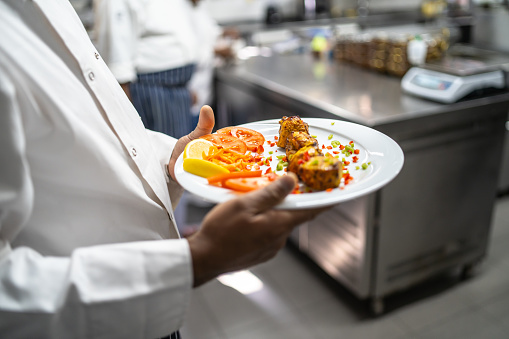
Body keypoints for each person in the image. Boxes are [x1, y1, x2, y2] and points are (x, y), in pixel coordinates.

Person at [0, 1, 325, 338]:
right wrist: (198, 260)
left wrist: (167, 157)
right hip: (97, 317)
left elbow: (89, 127)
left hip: (148, 297)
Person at [93, 0, 198, 139]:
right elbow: (117, 42)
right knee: (164, 152)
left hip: (176, 86)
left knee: (181, 148)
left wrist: (184, 86)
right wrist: (123, 96)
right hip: (152, 88)